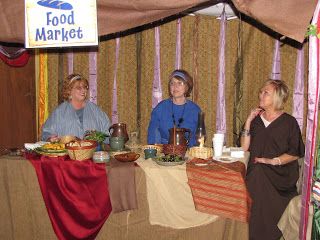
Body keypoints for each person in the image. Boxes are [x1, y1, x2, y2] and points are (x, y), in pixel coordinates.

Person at [241, 79, 305, 240]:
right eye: (261, 92)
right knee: (256, 171)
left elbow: (296, 152)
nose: (260, 95)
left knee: (258, 172)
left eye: (265, 93)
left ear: (277, 97)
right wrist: (248, 121)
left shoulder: (289, 122)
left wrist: (273, 161)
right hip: (257, 170)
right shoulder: (256, 119)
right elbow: (243, 147)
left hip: (281, 172)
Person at [41, 74, 111, 143]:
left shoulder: (95, 110)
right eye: (79, 88)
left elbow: (108, 132)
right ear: (69, 90)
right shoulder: (59, 112)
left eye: (85, 87)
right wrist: (50, 138)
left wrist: (102, 139)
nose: (83, 90)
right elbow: (46, 133)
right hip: (67, 153)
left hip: (93, 153)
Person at [147, 69, 202, 147]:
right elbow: (153, 136)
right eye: (172, 83)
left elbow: (198, 138)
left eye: (179, 83)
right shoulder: (160, 108)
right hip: (163, 153)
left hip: (188, 153)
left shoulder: (195, 110)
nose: (175, 87)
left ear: (187, 87)